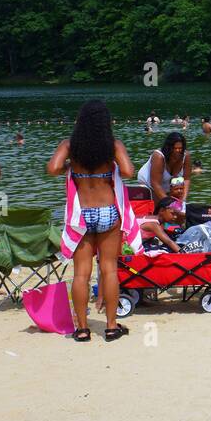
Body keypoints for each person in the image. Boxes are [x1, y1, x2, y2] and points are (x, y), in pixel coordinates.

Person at [46, 99, 135, 342]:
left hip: (82, 215)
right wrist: (114, 161)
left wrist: (70, 166)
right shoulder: (113, 146)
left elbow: (52, 168)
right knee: (109, 269)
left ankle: (83, 329)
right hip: (108, 212)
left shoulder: (70, 146)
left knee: (81, 274)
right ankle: (110, 326)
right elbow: (128, 172)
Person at [139, 132, 192, 206]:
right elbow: (155, 184)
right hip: (149, 185)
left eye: (180, 148)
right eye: (175, 148)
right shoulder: (159, 156)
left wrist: (183, 200)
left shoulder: (186, 156)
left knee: (179, 205)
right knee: (160, 207)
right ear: (169, 148)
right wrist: (170, 204)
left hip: (168, 184)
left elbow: (187, 179)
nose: (178, 151)